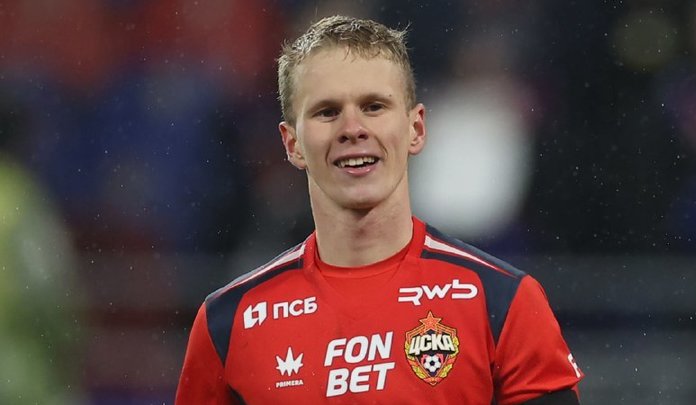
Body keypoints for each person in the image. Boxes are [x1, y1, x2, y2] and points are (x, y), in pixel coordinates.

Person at [176, 15, 583, 404]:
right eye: (327, 112)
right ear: (292, 144)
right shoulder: (229, 321)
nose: (353, 129)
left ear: (416, 128)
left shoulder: (504, 301)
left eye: (374, 106)